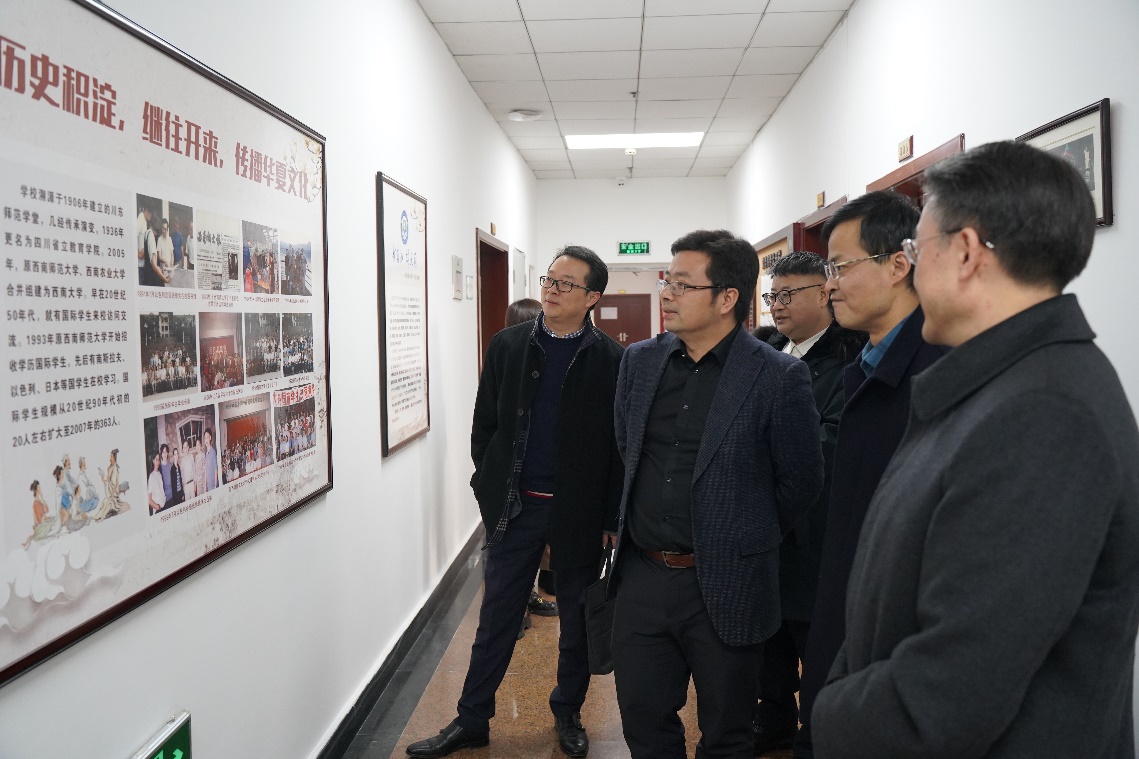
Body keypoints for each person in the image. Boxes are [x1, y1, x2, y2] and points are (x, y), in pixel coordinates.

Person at [812, 141, 1139, 759]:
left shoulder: (1044, 414)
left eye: (917, 251)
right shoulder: (994, 382)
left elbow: (953, 687)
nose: (913, 270)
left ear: (964, 253)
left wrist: (831, 713)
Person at [611, 230, 823, 759]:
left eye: (683, 285)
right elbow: (626, 446)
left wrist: (744, 535)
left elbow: (800, 482)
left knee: (728, 734)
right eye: (667, 281)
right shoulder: (639, 362)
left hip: (728, 580)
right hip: (642, 576)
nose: (667, 294)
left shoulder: (778, 375)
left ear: (727, 297)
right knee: (644, 724)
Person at [407, 246, 624, 759]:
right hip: (516, 507)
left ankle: (567, 712)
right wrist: (488, 485)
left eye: (566, 284)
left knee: (575, 624)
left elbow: (619, 446)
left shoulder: (612, 360)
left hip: (578, 512)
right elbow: (485, 425)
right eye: (550, 279)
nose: (552, 289)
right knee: (497, 618)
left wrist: (610, 517)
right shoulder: (508, 345)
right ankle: (471, 719)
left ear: (592, 297)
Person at [793, 191, 946, 758]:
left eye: (839, 267)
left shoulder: (939, 375)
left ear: (898, 264)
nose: (828, 285)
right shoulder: (863, 366)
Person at [753, 252, 866, 754]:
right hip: (764, 525)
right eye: (771, 295)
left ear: (824, 294)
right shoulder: (764, 354)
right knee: (767, 637)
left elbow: (830, 444)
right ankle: (773, 716)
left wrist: (755, 451)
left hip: (817, 528)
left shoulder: (850, 359)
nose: (776, 306)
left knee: (814, 637)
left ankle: (817, 732)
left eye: (787, 295)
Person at [504, 296, 560, 628]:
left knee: (538, 540)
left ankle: (529, 596)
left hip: (542, 472)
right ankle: (516, 610)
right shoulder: (507, 362)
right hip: (515, 472)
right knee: (515, 541)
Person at [147, 451, 166, 516]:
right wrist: (157, 507)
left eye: (159, 460)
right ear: (153, 461)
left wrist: (164, 498)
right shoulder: (151, 476)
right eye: (156, 459)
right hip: (158, 510)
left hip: (163, 506)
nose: (158, 462)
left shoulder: (159, 474)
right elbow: (149, 499)